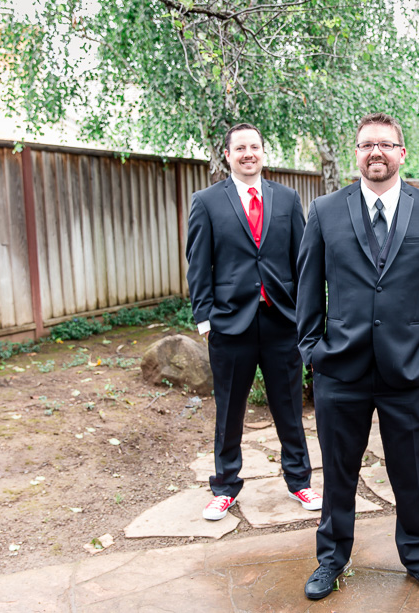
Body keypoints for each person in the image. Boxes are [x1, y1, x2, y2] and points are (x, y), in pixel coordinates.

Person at [297, 112, 419, 601]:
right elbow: (308, 286)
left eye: (386, 145)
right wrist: (313, 350)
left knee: (412, 473)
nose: (376, 153)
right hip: (340, 370)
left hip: (409, 369)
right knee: (338, 472)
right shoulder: (325, 211)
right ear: (357, 152)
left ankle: (418, 557)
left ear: (401, 153)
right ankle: (331, 559)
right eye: (367, 144)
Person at [186, 123, 321, 522]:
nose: (248, 153)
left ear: (264, 152)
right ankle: (225, 487)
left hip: (282, 322)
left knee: (289, 408)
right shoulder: (207, 201)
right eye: (240, 148)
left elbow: (304, 261)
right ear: (227, 155)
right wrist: (205, 319)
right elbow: (199, 265)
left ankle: (300, 481)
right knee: (229, 411)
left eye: (255, 147)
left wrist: (305, 315)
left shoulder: (288, 198)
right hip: (230, 325)